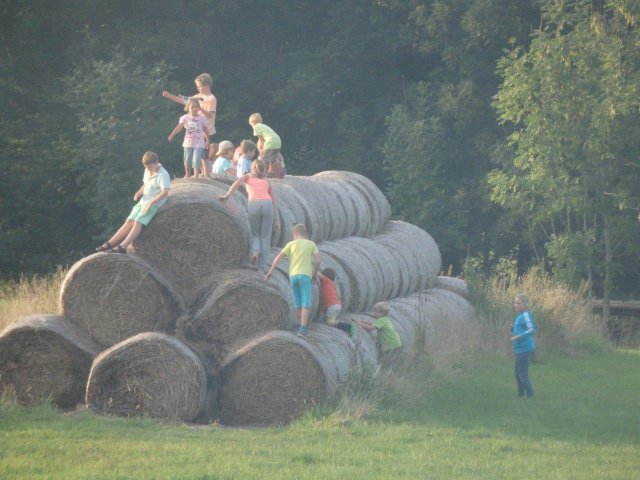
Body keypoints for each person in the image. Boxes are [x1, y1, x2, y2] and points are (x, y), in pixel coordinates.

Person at [95, 152, 170, 254]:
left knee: (138, 222)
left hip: (155, 202)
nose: (148, 169)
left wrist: (151, 203)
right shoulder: (147, 171)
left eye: (150, 167)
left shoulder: (163, 174)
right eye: (146, 167)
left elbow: (165, 192)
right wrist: (139, 192)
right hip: (144, 200)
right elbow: (145, 184)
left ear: (157, 162)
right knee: (129, 220)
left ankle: (122, 247)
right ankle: (109, 244)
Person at [219, 159, 279, 272]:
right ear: (264, 169)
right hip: (267, 204)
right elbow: (274, 201)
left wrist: (227, 195)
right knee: (265, 236)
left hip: (253, 204)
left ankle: (255, 252)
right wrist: (276, 219)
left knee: (255, 233)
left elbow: (235, 184)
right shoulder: (267, 180)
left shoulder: (247, 177)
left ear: (253, 168)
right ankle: (263, 266)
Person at [265, 224, 319, 337]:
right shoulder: (311, 244)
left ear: (295, 234)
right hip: (305, 275)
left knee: (298, 302)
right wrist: (314, 274)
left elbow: (277, 258)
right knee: (306, 302)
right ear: (304, 233)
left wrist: (270, 272)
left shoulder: (290, 244)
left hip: (293, 276)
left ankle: (300, 326)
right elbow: (318, 261)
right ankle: (303, 328)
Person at [163, 73, 217, 177]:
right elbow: (184, 101)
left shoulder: (211, 98)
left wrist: (200, 108)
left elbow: (210, 115)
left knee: (204, 156)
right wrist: (169, 95)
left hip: (207, 130)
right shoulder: (197, 97)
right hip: (194, 130)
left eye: (200, 86)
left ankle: (206, 176)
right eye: (197, 86)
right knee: (195, 155)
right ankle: (197, 175)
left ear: (207, 85)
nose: (198, 88)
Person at [168, 98, 209, 178]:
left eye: (196, 107)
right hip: (188, 142)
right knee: (187, 160)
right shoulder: (185, 117)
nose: (194, 109)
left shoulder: (202, 119)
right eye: (192, 107)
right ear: (188, 108)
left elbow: (205, 129)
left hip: (199, 142)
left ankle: (196, 175)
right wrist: (172, 135)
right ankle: (187, 173)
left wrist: (207, 140)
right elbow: (179, 127)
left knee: (196, 160)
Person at [353, 302, 402, 368]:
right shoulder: (383, 319)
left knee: (388, 365)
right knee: (386, 362)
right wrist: (360, 320)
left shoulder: (382, 320)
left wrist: (358, 322)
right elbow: (370, 323)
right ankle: (388, 375)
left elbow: (369, 328)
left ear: (382, 313)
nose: (374, 313)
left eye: (376, 311)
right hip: (393, 344)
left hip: (392, 345)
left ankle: (390, 376)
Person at [510, 293, 536, 398]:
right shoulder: (520, 316)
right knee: (517, 373)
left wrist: (518, 337)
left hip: (525, 348)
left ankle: (530, 394)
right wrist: (513, 330)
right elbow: (521, 329)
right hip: (519, 348)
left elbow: (532, 329)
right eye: (515, 303)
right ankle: (520, 394)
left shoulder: (525, 315)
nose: (516, 305)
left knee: (522, 373)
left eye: (519, 303)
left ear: (525, 305)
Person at [248, 113, 285, 178]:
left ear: (252, 123)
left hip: (270, 142)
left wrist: (262, 147)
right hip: (278, 141)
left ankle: (262, 173)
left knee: (262, 158)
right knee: (273, 159)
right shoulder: (264, 126)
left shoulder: (256, 126)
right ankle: (272, 172)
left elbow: (261, 138)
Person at [316, 268, 351, 334]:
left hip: (332, 305)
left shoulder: (327, 281)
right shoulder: (332, 284)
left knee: (330, 322)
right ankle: (344, 329)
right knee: (330, 321)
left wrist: (311, 267)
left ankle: (348, 326)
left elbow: (318, 274)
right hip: (337, 304)